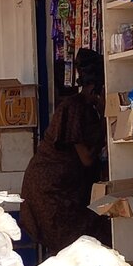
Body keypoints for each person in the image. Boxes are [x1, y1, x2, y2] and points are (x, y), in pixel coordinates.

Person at [20, 48, 110, 255]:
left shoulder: (87, 109)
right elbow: (86, 158)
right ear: (95, 87)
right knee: (77, 242)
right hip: (51, 191)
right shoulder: (74, 108)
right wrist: (107, 119)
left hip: (64, 188)